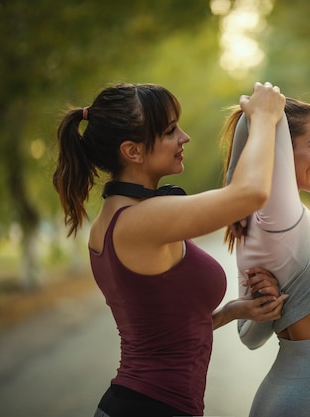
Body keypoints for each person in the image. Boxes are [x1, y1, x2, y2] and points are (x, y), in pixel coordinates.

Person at [52, 82, 288, 417]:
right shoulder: (138, 221)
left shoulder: (117, 218)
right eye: (169, 131)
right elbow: (249, 194)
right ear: (133, 151)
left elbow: (163, 335)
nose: (184, 137)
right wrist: (264, 117)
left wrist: (234, 310)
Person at [222, 97, 310, 416]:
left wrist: (268, 303)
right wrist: (265, 108)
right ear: (282, 148)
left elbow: (249, 337)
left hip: (302, 393)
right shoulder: (278, 220)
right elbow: (256, 116)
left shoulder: (265, 221)